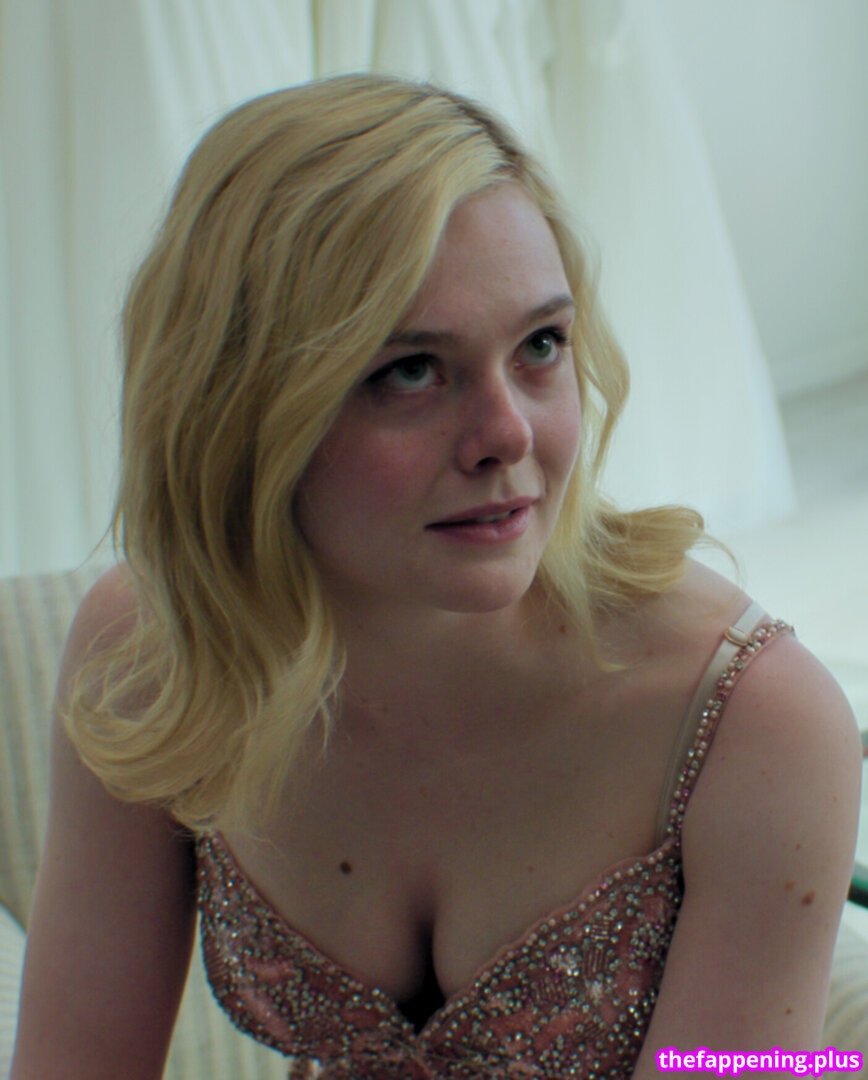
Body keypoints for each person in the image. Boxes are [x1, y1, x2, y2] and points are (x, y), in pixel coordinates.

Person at [11, 74, 862, 1080]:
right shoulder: (150, 653)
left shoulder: (750, 721)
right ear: (238, 406)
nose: (509, 435)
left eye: (540, 346)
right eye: (411, 371)